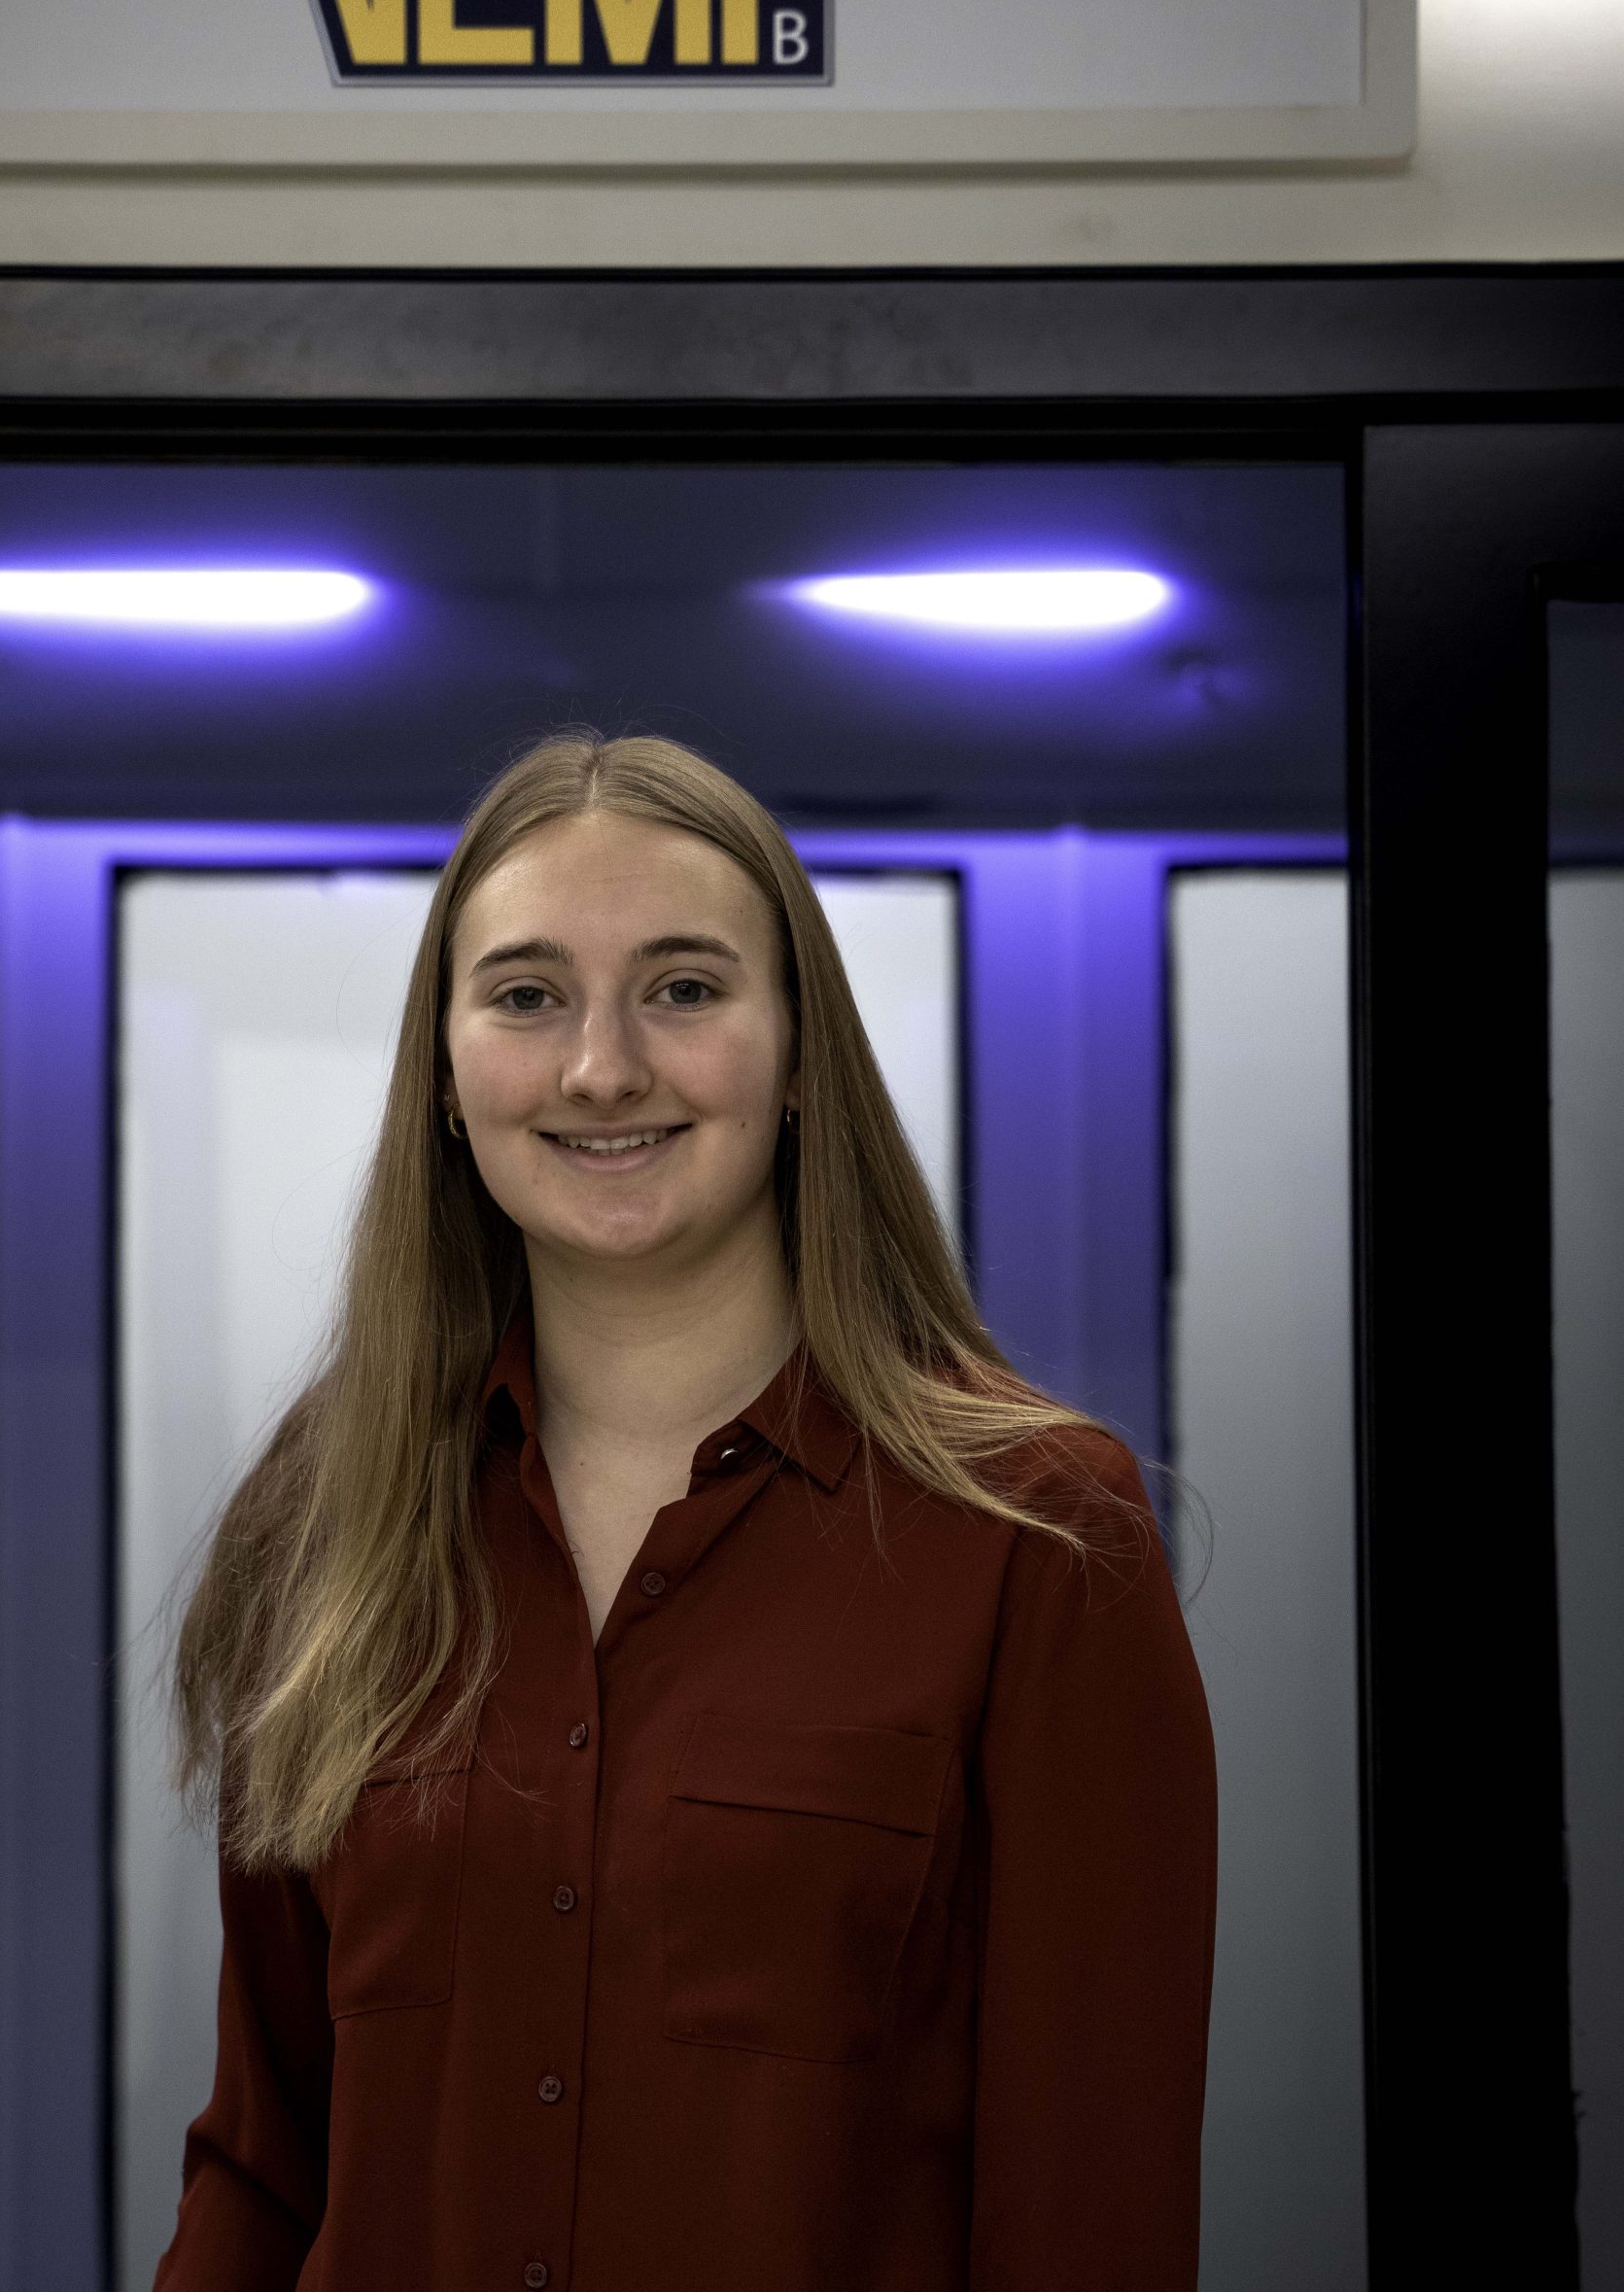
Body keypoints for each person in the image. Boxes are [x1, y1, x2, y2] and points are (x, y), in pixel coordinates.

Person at [155, 733, 1216, 2292]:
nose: (600, 1068)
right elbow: (264, 2169)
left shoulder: (1036, 1536)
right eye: (525, 996)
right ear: (445, 1078)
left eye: (683, 988)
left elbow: (1091, 2217)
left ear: (798, 1058)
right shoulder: (322, 1521)